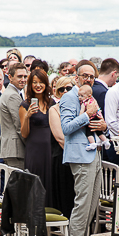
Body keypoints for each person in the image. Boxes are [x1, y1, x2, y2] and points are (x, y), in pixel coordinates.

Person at [60, 61, 106, 236]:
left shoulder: (91, 96)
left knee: (92, 204)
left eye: (92, 76)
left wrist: (102, 124)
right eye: (84, 76)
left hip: (94, 153)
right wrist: (87, 115)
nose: (88, 79)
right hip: (79, 156)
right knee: (82, 204)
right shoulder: (69, 97)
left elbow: (97, 122)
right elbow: (67, 127)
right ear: (76, 77)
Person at [20, 68, 55, 206]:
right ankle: (34, 218)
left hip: (51, 149)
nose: (38, 85)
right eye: (34, 82)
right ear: (30, 85)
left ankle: (49, 219)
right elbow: (24, 134)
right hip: (34, 150)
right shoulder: (25, 105)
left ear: (46, 84)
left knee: (50, 182)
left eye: (41, 82)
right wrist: (28, 116)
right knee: (35, 182)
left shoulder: (52, 103)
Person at [49, 76, 76, 218]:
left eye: (69, 88)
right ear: (57, 93)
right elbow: (60, 137)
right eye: (61, 89)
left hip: (78, 159)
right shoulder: (54, 109)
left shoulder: (80, 106)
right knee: (65, 199)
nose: (65, 91)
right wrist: (78, 150)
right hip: (62, 158)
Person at [0, 62, 28, 169]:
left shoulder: (10, 93)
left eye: (25, 76)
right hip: (16, 149)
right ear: (10, 77)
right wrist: (30, 145)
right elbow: (20, 125)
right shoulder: (12, 96)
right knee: (19, 184)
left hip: (11, 149)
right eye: (19, 76)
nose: (23, 79)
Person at [92, 58, 119, 163]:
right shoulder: (104, 92)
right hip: (102, 142)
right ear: (114, 74)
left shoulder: (91, 88)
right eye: (117, 76)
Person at [78, 85, 110, 150]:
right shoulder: (93, 100)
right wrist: (101, 117)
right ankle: (105, 140)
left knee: (89, 132)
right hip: (96, 117)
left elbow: (81, 112)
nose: (79, 98)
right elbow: (98, 109)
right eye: (79, 96)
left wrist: (79, 119)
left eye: (82, 96)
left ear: (89, 95)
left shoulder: (84, 103)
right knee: (99, 131)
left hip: (90, 119)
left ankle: (92, 143)